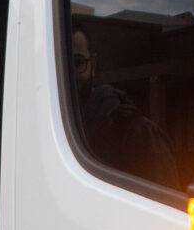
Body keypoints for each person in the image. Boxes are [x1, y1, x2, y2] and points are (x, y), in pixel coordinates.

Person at [72, 25, 180, 189]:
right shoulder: (50, 129)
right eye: (57, 62)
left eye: (77, 62)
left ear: (93, 64)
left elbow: (161, 206)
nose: (68, 72)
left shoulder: (134, 130)